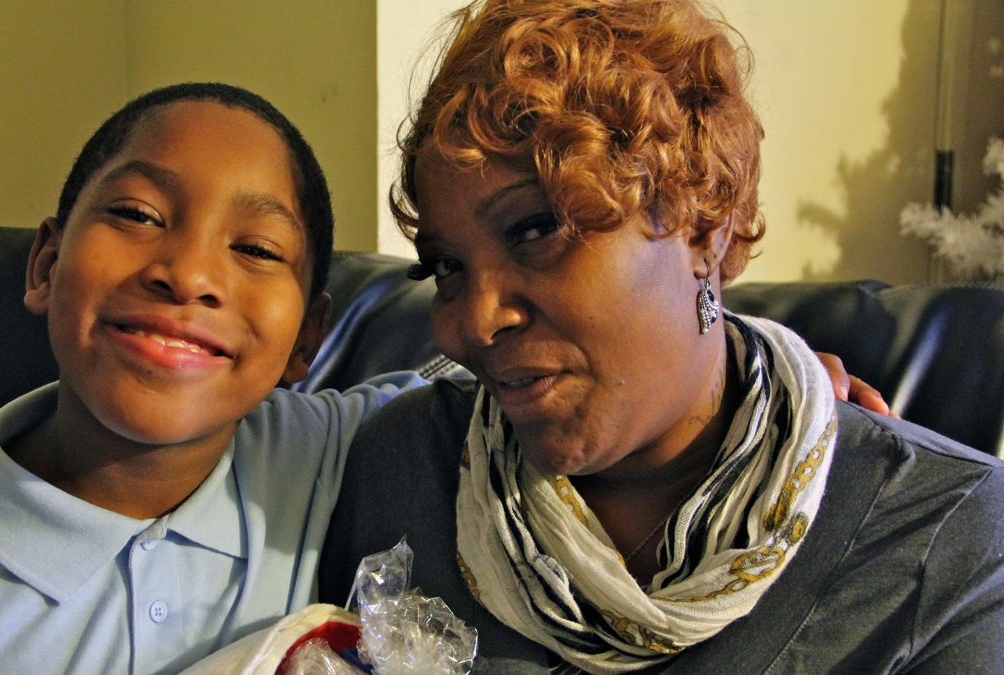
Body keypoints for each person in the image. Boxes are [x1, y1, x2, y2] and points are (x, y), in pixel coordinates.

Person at [319, 0, 1004, 672]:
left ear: (705, 223)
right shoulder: (406, 470)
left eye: (535, 229)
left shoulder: (948, 541)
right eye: (448, 267)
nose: (475, 318)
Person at [0, 82, 424, 673]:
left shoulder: (328, 451)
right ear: (47, 265)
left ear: (306, 339)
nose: (187, 274)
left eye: (257, 249)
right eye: (138, 214)